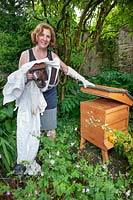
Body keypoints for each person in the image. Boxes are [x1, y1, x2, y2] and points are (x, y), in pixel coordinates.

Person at [6, 23, 95, 175]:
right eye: (42, 35)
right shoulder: (26, 55)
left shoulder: (52, 56)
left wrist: (83, 79)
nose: (45, 39)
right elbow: (18, 80)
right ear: (37, 36)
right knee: (32, 129)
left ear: (50, 39)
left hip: (49, 95)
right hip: (32, 96)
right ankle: (30, 158)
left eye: (48, 36)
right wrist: (26, 77)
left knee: (50, 130)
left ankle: (51, 160)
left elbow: (66, 69)